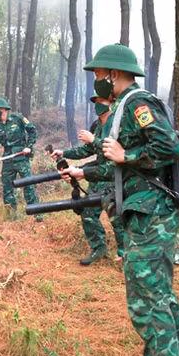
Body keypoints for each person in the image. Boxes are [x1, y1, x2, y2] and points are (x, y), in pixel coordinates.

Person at [60, 43, 179, 356]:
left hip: (150, 215)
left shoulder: (139, 104)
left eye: (98, 76)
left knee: (148, 304)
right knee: (160, 293)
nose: (96, 82)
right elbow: (114, 166)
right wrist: (82, 172)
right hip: (141, 214)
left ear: (114, 74)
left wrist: (129, 157)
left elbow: (168, 148)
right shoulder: (120, 111)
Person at [51, 94, 125, 265]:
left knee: (117, 217)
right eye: (96, 102)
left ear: (112, 103)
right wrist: (64, 153)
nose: (98, 105)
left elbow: (115, 151)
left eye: (101, 101)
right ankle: (98, 249)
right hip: (97, 176)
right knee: (88, 213)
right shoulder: (97, 125)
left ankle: (125, 255)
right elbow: (86, 150)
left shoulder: (119, 123)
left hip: (115, 176)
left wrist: (94, 140)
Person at [0, 98, 40, 220]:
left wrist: (29, 147)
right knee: (7, 187)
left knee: (28, 185)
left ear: (2, 109)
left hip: (21, 156)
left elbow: (32, 131)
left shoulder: (17, 119)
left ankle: (37, 213)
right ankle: (11, 216)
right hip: (7, 158)